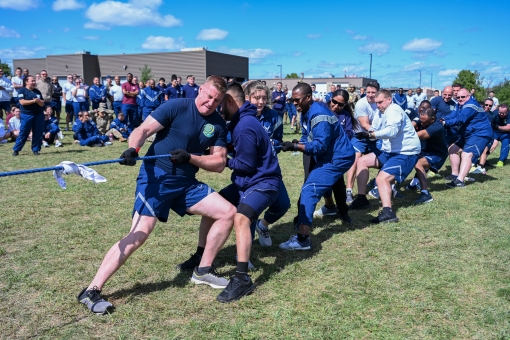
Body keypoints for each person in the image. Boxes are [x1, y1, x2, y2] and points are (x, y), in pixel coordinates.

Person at [77, 76, 238, 314]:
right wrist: (133, 148)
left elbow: (219, 162)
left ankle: (203, 270)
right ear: (200, 90)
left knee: (227, 212)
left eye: (216, 100)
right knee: (139, 234)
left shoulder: (218, 123)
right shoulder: (175, 106)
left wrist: (191, 158)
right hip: (156, 180)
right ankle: (91, 290)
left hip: (186, 183)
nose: (210, 103)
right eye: (207, 96)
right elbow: (143, 130)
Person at [205, 82, 281, 302]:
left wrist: (224, 161)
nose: (219, 109)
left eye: (220, 104)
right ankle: (202, 260)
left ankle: (242, 279)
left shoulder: (245, 125)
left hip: (263, 184)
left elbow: (246, 165)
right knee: (212, 205)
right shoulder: (242, 120)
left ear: (230, 101)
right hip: (248, 183)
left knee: (241, 218)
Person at [279, 83, 355, 249]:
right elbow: (308, 136)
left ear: (308, 97)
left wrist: (295, 147)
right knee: (317, 182)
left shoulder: (319, 115)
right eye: (292, 100)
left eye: (297, 100)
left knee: (310, 189)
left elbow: (319, 146)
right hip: (330, 155)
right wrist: (296, 142)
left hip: (338, 157)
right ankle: (330, 208)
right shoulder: (306, 112)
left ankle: (303, 239)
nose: (294, 103)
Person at [350, 90, 421, 223]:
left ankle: (388, 212)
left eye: (381, 102)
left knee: (382, 178)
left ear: (389, 99)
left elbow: (392, 132)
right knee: (362, 161)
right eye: (376, 103)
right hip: (390, 151)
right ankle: (361, 199)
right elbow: (374, 128)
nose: (378, 105)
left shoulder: (393, 110)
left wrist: (371, 135)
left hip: (406, 152)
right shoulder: (380, 112)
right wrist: (366, 133)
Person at [242, 81, 290, 248]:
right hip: (249, 172)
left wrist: (273, 145)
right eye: (256, 98)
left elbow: (277, 139)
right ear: (247, 98)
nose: (261, 102)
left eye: (264, 98)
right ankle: (244, 255)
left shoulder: (274, 117)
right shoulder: (240, 117)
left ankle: (263, 226)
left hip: (270, 170)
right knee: (251, 211)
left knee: (283, 204)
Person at [313, 88, 357, 222]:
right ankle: (328, 206)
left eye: (341, 104)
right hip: (319, 152)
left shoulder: (345, 115)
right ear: (330, 98)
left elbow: (349, 133)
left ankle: (343, 211)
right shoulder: (320, 109)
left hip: (335, 155)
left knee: (338, 184)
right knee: (319, 181)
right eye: (334, 102)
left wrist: (338, 138)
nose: (336, 106)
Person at [442, 88, 493, 188]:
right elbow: (453, 115)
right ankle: (455, 174)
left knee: (467, 154)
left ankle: (460, 181)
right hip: (469, 133)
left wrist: (445, 123)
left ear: (468, 97)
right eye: (458, 97)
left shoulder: (470, 105)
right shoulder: (459, 105)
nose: (460, 99)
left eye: (463, 97)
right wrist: (442, 119)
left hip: (480, 133)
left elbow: (461, 119)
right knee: (452, 149)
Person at [345, 81, 380, 204]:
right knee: (355, 159)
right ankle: (348, 191)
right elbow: (365, 125)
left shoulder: (381, 102)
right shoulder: (361, 103)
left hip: (376, 137)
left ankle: (382, 185)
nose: (370, 95)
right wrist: (384, 132)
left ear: (378, 93)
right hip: (360, 135)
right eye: (368, 92)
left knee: (385, 157)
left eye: (373, 92)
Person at [407, 107, 448, 203]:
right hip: (425, 151)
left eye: (424, 122)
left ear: (433, 119)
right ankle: (413, 184)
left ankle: (425, 194)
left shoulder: (437, 126)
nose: (421, 124)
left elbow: (419, 135)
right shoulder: (422, 119)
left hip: (438, 154)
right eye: (420, 121)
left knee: (418, 163)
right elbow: (412, 124)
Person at [12, 75, 45, 156]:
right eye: (32, 81)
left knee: (38, 132)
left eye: (34, 81)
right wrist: (34, 101)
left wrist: (38, 102)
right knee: (24, 132)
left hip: (38, 114)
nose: (34, 82)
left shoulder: (37, 91)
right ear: (26, 82)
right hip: (27, 115)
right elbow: (22, 102)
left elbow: (42, 104)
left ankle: (36, 149)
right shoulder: (22, 90)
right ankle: (16, 150)